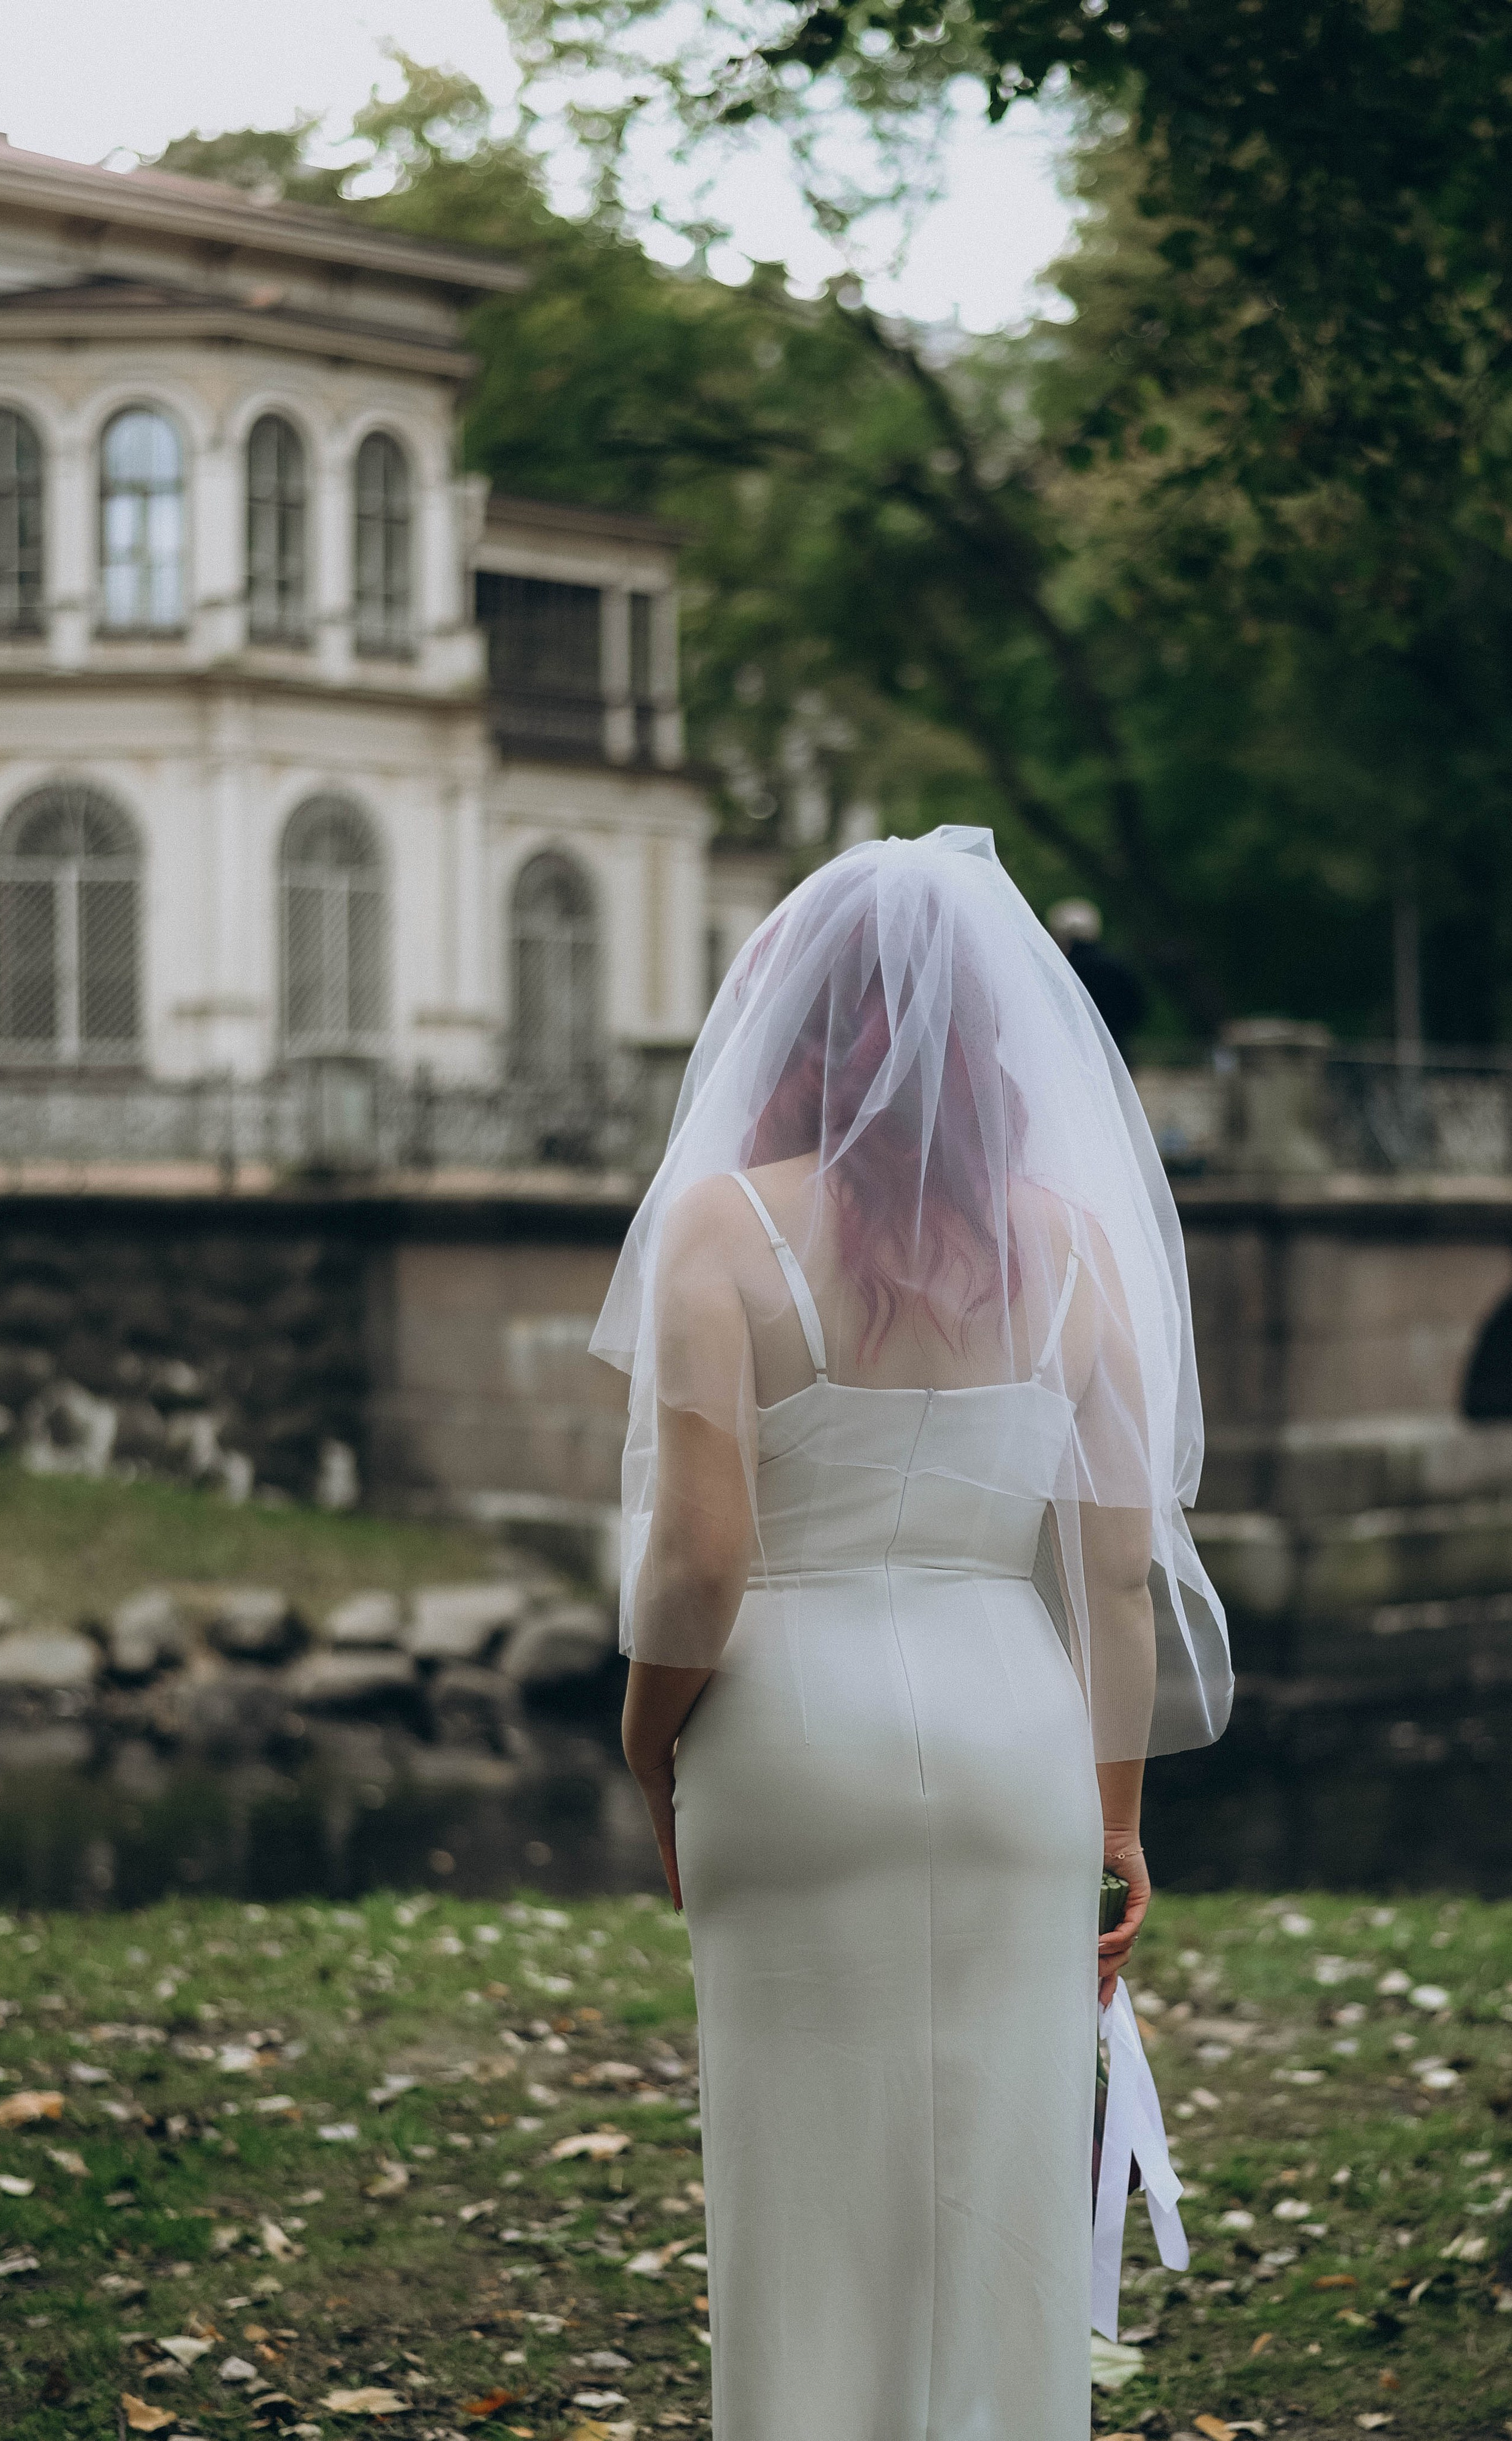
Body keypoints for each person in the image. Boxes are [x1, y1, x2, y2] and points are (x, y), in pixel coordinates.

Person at [592, 828, 1230, 2441]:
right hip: (1016, 1734)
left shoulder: (725, 1233)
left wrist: (645, 1733)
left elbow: (700, 1555)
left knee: (806, 2189)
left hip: (791, 1737)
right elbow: (1117, 1582)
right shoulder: (1078, 1249)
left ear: (791, 1024)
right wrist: (1118, 1824)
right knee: (998, 2186)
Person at [1048, 895, 1149, 1061]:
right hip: (1116, 1049)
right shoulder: (1118, 967)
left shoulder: (1062, 971)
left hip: (1072, 1054)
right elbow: (1138, 1008)